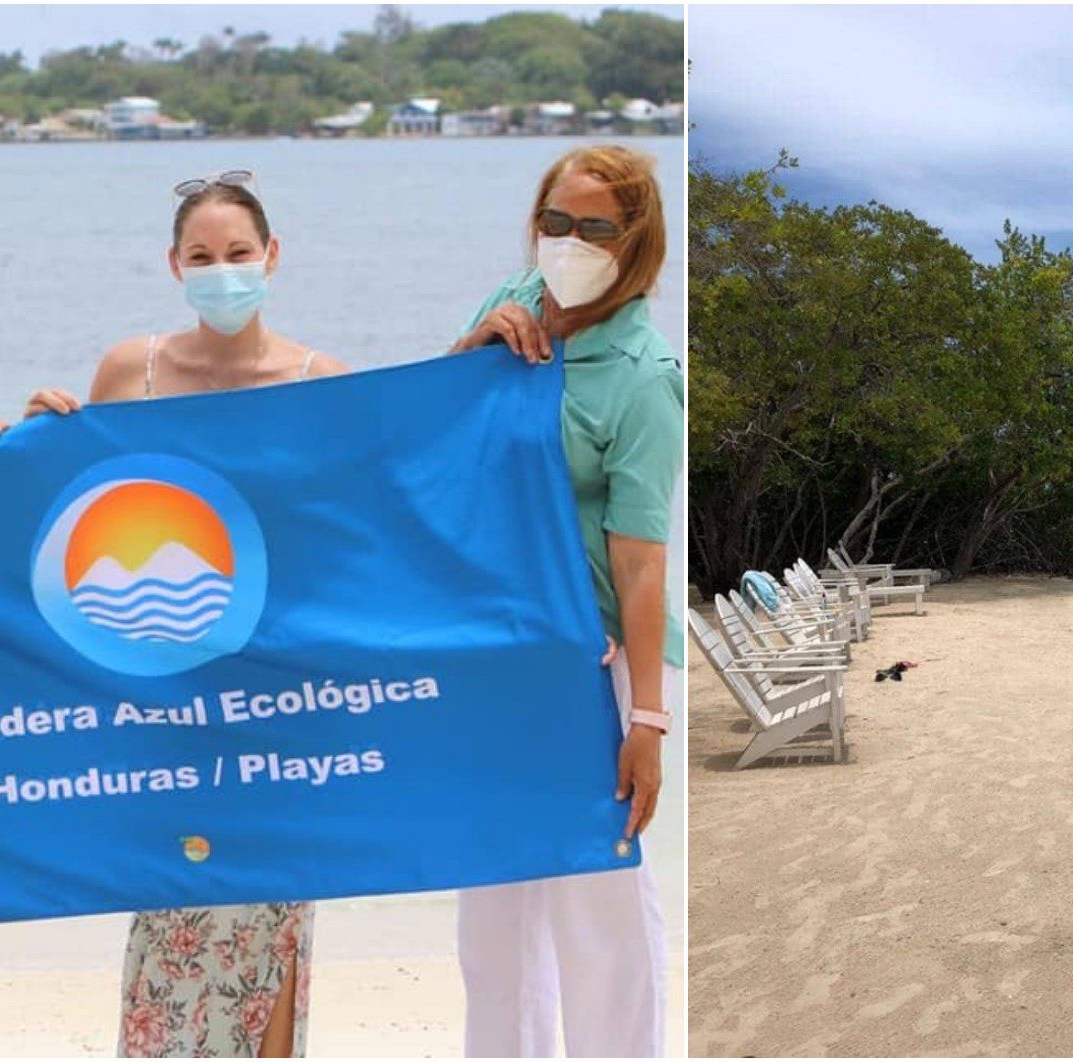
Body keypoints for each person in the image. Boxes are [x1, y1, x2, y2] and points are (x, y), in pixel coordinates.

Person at [0, 171, 348, 1058]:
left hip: (277, 707)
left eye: (238, 254)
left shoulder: (321, 381)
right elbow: (71, 517)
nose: (222, 270)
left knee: (272, 926)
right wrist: (27, 440)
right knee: (169, 921)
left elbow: (365, 528)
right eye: (203, 256)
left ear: (272, 257)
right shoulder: (131, 370)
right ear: (173, 265)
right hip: (158, 704)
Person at [447, 144, 683, 1057]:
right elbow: (442, 454)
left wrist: (649, 722)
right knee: (493, 914)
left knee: (601, 909)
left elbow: (642, 564)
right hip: (491, 651)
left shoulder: (644, 375)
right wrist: (469, 354)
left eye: (595, 228)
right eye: (556, 220)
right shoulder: (509, 296)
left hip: (595, 667)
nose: (569, 241)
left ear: (636, 242)